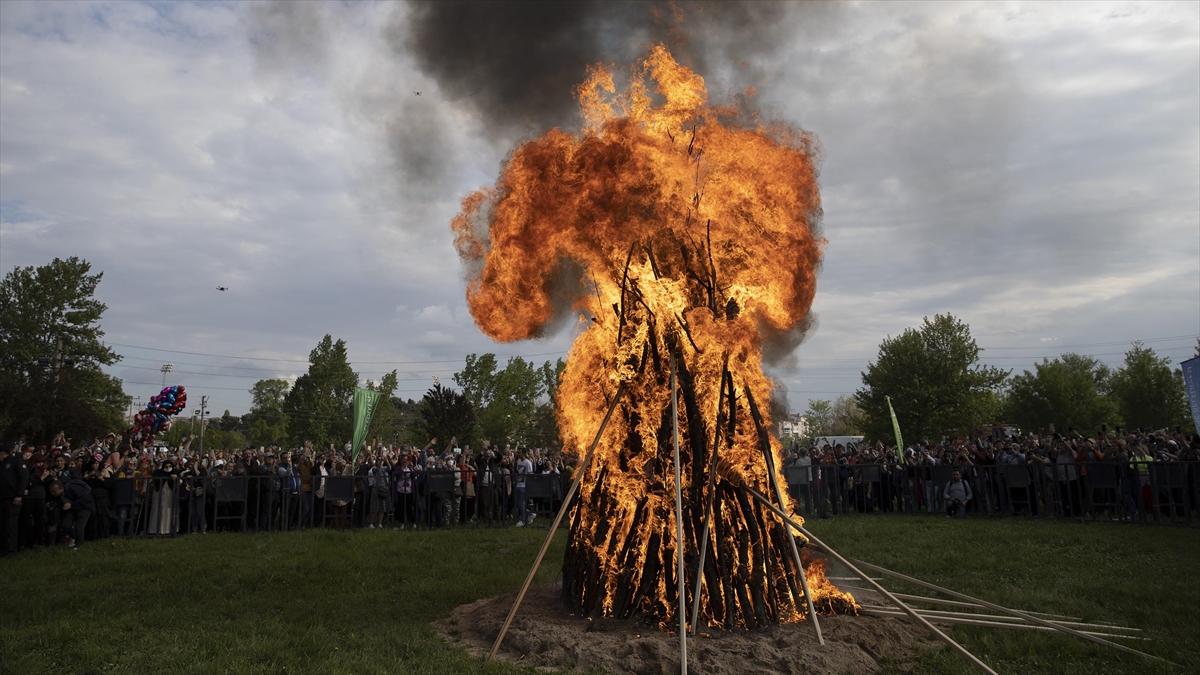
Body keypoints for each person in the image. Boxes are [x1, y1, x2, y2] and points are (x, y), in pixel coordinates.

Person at [0, 444, 30, 555]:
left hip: (13, 498)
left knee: (10, 525)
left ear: (2, 453)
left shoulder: (15, 461)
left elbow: (24, 477)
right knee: (3, 524)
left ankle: (11, 550)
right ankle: (3, 548)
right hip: (2, 498)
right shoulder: (1, 464)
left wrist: (19, 495)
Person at [48, 478, 94, 549]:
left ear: (61, 489)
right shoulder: (57, 496)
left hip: (85, 506)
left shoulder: (72, 487)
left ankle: (79, 545)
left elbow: (86, 497)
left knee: (79, 527)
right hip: (73, 508)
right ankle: (76, 538)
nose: (53, 494)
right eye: (51, 492)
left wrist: (72, 505)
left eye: (54, 491)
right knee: (65, 525)